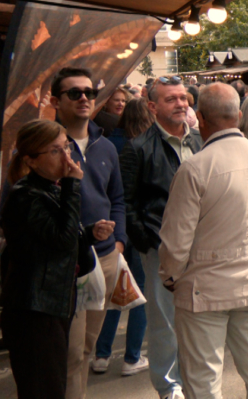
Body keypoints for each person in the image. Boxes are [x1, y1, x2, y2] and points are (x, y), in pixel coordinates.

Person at [158, 83, 248, 399]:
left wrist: (170, 276)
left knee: (203, 378)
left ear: (201, 119)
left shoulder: (195, 167)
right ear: (240, 115)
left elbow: (176, 241)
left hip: (203, 288)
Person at [0, 120, 98, 399]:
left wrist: (89, 232)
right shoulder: (26, 195)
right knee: (44, 387)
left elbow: (60, 240)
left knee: (52, 383)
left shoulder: (46, 188)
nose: (67, 158)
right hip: (34, 309)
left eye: (66, 147)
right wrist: (72, 186)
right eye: (55, 151)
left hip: (51, 303)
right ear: (30, 160)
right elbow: (61, 240)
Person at [121, 75, 203, 399]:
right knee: (165, 322)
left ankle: (195, 378)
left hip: (203, 247)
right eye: (172, 99)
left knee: (200, 318)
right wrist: (146, 242)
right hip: (161, 249)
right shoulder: (138, 148)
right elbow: (127, 202)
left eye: (183, 98)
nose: (181, 104)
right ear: (153, 106)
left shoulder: (200, 141)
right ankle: (170, 387)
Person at [50, 67, 126, 399]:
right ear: (55, 100)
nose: (84, 98)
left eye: (89, 92)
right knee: (68, 353)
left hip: (105, 258)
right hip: (65, 260)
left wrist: (119, 242)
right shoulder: (47, 146)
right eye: (74, 93)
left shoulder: (105, 146)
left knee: (86, 348)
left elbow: (118, 199)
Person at [91, 100, 153, 378]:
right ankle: (132, 357)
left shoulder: (105, 144)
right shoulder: (147, 146)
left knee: (113, 293)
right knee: (137, 293)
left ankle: (101, 354)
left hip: (112, 228)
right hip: (137, 228)